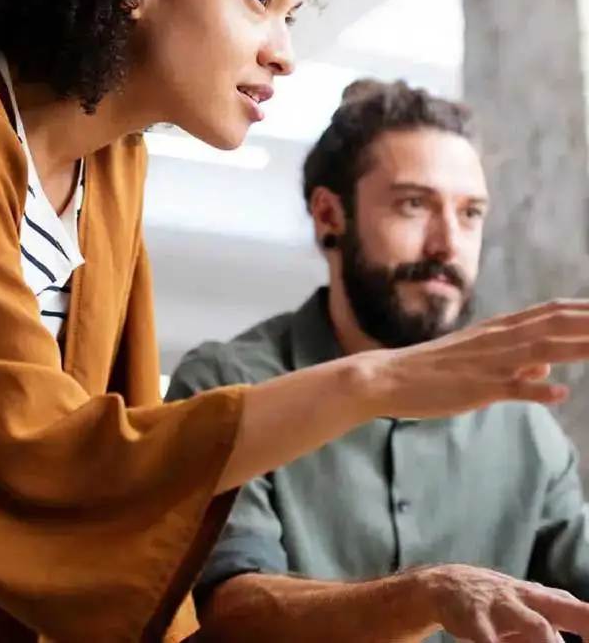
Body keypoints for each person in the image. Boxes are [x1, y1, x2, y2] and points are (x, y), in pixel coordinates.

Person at [0, 0, 589, 641]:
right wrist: (376, 383)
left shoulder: (110, 168)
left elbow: (130, 471)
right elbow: (44, 451)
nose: (284, 48)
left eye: (290, 12)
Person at [169, 79, 589, 643]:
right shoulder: (228, 385)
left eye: (470, 214)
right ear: (328, 217)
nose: (446, 244)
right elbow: (234, 612)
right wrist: (426, 594)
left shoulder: (525, 423)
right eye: (414, 204)